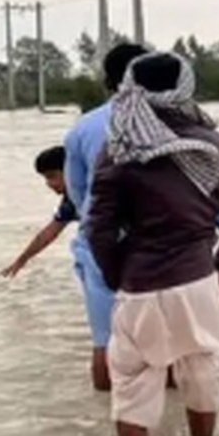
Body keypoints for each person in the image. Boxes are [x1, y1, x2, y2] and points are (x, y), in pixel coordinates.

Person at [87, 50, 219, 436]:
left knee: (132, 383)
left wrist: (117, 275)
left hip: (141, 283)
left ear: (132, 86)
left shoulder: (120, 148)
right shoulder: (214, 144)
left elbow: (98, 227)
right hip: (199, 279)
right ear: (186, 86)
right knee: (200, 371)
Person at [63, 43, 149, 392]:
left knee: (105, 342)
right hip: (164, 248)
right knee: (170, 348)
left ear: (106, 82)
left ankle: (105, 426)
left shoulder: (83, 128)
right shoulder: (181, 123)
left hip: (102, 244)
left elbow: (78, 194)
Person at [0, 146, 79, 278]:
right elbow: (50, 232)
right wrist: (22, 260)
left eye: (52, 176)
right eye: (46, 178)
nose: (49, 183)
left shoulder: (98, 191)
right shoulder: (71, 200)